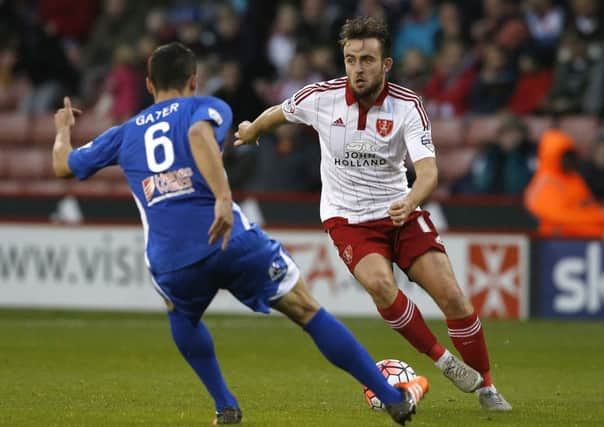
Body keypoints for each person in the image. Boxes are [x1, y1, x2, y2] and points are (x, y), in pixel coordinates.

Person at [51, 42, 428, 425]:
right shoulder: (207, 107)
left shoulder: (125, 133)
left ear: (149, 85)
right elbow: (199, 135)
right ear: (194, 81)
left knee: (181, 314)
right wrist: (221, 197)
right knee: (306, 310)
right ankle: (391, 398)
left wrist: (63, 130)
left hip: (171, 257)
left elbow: (64, 166)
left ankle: (225, 406)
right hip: (231, 239)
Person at [235, 16, 511, 411]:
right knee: (382, 286)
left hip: (400, 209)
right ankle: (444, 361)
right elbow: (279, 112)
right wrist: (252, 130)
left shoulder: (408, 106)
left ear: (386, 65)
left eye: (367, 60)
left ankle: (486, 386)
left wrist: (412, 201)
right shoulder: (320, 98)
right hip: (347, 218)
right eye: (350, 60)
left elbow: (429, 171)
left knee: (453, 297)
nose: (357, 69)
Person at [524, 129, 604, 238]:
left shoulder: (574, 178)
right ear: (554, 157)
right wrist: (598, 217)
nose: (570, 160)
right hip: (553, 239)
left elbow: (587, 205)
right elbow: (558, 217)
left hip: (582, 230)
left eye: (571, 155)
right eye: (565, 156)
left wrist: (598, 215)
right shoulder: (545, 182)